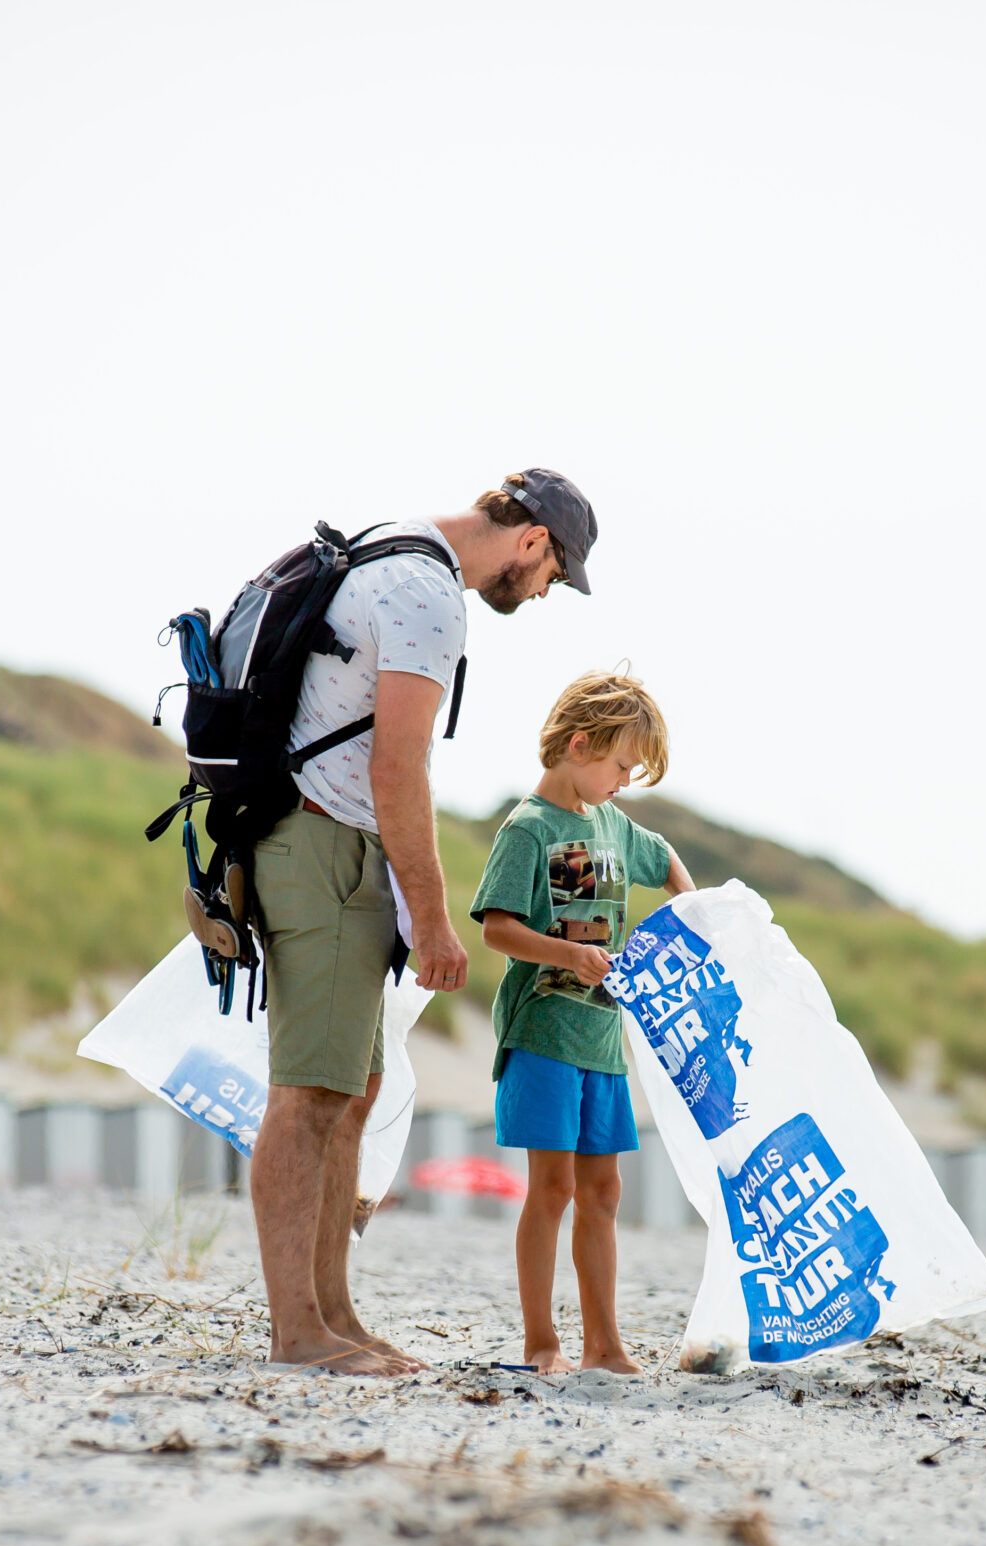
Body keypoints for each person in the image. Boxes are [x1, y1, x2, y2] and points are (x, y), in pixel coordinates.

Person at [249, 470, 599, 1377]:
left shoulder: (394, 546)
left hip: (334, 842)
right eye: (556, 573)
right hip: (325, 844)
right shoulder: (429, 595)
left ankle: (333, 1314)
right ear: (532, 540)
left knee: (353, 1090)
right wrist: (436, 920)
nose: (547, 590)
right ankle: (297, 1333)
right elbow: (397, 769)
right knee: (309, 1095)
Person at [471, 671, 695, 1374]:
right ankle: (542, 1343)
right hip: (543, 1034)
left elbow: (666, 860)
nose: (625, 782)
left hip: (603, 1041)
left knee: (603, 1191)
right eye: (622, 766)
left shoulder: (613, 825)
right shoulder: (528, 829)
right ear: (579, 745)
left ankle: (605, 1346)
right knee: (554, 1188)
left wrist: (691, 916)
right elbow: (497, 930)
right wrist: (569, 952)